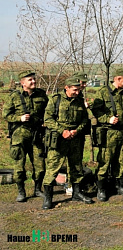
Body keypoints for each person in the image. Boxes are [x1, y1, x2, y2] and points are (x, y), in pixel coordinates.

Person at [42, 76, 94, 209]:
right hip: (59, 140)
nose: (77, 92)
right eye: (74, 90)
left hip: (75, 140)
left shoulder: (79, 101)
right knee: (53, 168)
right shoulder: (56, 100)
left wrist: (77, 130)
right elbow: (48, 119)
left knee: (76, 167)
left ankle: (76, 193)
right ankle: (48, 198)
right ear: (67, 88)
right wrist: (62, 131)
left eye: (78, 90)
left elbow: (84, 120)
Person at [91, 67, 123, 201]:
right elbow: (96, 111)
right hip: (108, 133)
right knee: (105, 161)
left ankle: (120, 186)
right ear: (117, 79)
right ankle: (101, 189)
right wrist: (107, 119)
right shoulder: (103, 92)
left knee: (121, 160)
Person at [3, 70, 48, 202]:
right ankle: (21, 191)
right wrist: (19, 118)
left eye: (34, 79)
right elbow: (6, 115)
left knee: (40, 165)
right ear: (23, 83)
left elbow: (49, 110)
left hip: (37, 135)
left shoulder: (41, 94)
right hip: (20, 136)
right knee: (19, 166)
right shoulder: (14, 96)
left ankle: (38, 190)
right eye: (30, 80)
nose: (33, 81)